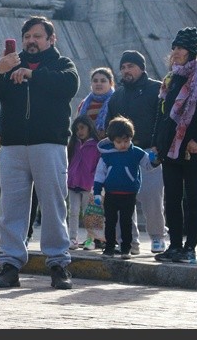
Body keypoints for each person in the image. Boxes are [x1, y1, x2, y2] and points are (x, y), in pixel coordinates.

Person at [0, 15, 79, 290]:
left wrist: (32, 74)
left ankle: (59, 264)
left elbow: (69, 85)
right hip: (12, 147)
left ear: (51, 39)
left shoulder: (62, 65)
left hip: (48, 145)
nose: (31, 41)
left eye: (37, 36)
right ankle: (10, 265)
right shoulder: (11, 62)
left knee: (53, 206)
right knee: (11, 208)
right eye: (27, 37)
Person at [153, 27, 197, 265]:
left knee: (192, 199)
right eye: (174, 47)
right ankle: (174, 245)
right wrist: (158, 143)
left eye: (181, 48)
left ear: (191, 51)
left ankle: (190, 247)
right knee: (171, 199)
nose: (176, 52)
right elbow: (162, 114)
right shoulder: (171, 79)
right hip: (171, 150)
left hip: (193, 150)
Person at [106, 50, 168, 254]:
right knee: (123, 198)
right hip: (123, 154)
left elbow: (165, 120)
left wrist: (160, 146)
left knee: (152, 197)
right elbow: (111, 125)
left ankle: (158, 238)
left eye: (130, 66)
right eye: (123, 67)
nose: (126, 71)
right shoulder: (117, 96)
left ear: (141, 68)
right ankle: (129, 241)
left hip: (149, 151)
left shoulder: (157, 90)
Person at [93, 116, 155, 260]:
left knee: (126, 222)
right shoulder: (106, 156)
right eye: (119, 142)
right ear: (112, 140)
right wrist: (97, 192)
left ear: (131, 138)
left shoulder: (136, 152)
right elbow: (99, 175)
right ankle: (109, 248)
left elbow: (149, 165)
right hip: (111, 193)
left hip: (129, 194)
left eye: (126, 141)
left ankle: (126, 248)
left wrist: (155, 159)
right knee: (110, 222)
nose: (123, 145)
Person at [76, 67, 115, 250]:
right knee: (93, 199)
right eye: (95, 80)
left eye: (103, 80)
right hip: (89, 157)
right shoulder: (84, 104)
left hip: (109, 155)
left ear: (110, 83)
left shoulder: (115, 101)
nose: (99, 83)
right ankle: (93, 237)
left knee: (108, 198)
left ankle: (108, 237)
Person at [0, 114, 40, 246]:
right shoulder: (10, 101)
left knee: (36, 197)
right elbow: (0, 126)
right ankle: (14, 240)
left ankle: (27, 234)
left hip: (39, 149)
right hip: (14, 151)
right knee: (13, 199)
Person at [66, 115, 101, 250]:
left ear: (89, 128)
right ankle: (73, 239)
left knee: (89, 213)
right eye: (77, 129)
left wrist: (95, 178)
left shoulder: (96, 146)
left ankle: (90, 240)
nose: (79, 131)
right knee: (73, 211)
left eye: (82, 128)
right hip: (73, 182)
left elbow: (99, 164)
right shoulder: (73, 144)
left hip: (88, 184)